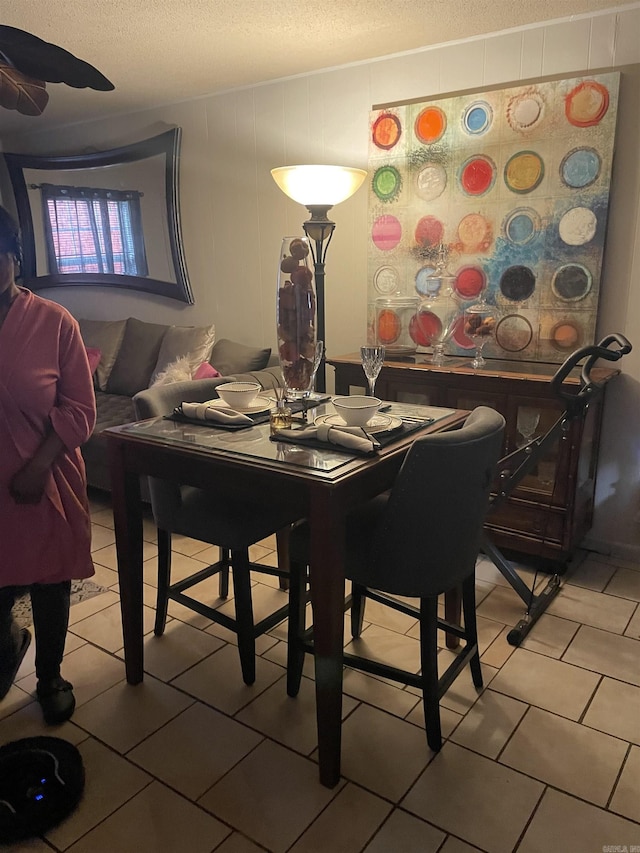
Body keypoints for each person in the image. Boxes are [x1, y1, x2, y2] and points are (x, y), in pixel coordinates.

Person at [0, 204, 96, 724]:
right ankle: (12, 645)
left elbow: (81, 409)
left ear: (14, 255)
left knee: (49, 582)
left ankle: (51, 675)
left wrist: (38, 467)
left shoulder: (55, 323)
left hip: (45, 477)